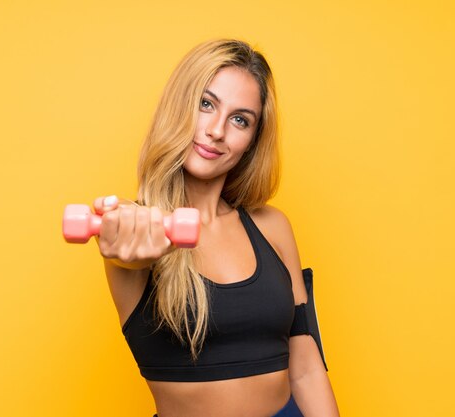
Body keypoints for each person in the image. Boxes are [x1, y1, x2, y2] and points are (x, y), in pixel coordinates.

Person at [92, 39, 339, 417]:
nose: (217, 130)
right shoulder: (143, 228)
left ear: (252, 141)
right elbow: (124, 254)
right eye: (205, 104)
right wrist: (122, 238)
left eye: (240, 119)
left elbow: (306, 368)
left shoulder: (273, 227)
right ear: (179, 106)